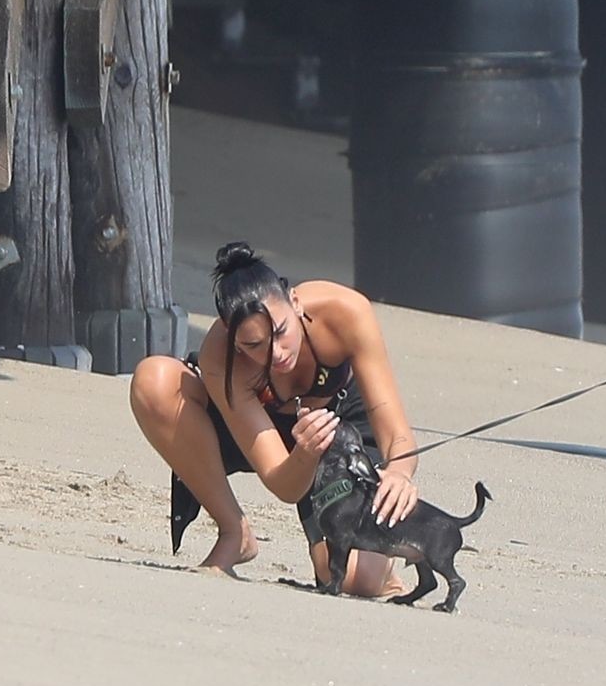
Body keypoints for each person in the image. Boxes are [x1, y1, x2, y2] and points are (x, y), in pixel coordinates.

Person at [130, 242, 424, 596]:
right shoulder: (221, 359)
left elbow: (396, 434)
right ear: (234, 340)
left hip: (339, 424)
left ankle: (384, 566)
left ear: (295, 302)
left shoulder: (344, 311)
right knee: (155, 381)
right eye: (255, 345)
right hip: (270, 433)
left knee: (353, 579)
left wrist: (399, 472)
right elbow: (284, 485)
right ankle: (234, 531)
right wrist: (304, 453)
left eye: (282, 331)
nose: (277, 353)